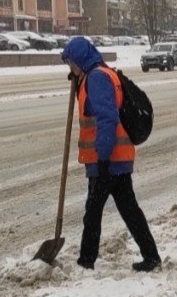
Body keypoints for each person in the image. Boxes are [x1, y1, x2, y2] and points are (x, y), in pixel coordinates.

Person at [62, 36, 162, 272]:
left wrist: (104, 157)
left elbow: (107, 118)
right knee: (128, 209)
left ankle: (86, 261)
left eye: (71, 63)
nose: (70, 69)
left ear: (80, 59)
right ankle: (151, 256)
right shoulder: (101, 74)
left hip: (108, 159)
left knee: (93, 211)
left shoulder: (96, 79)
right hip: (117, 158)